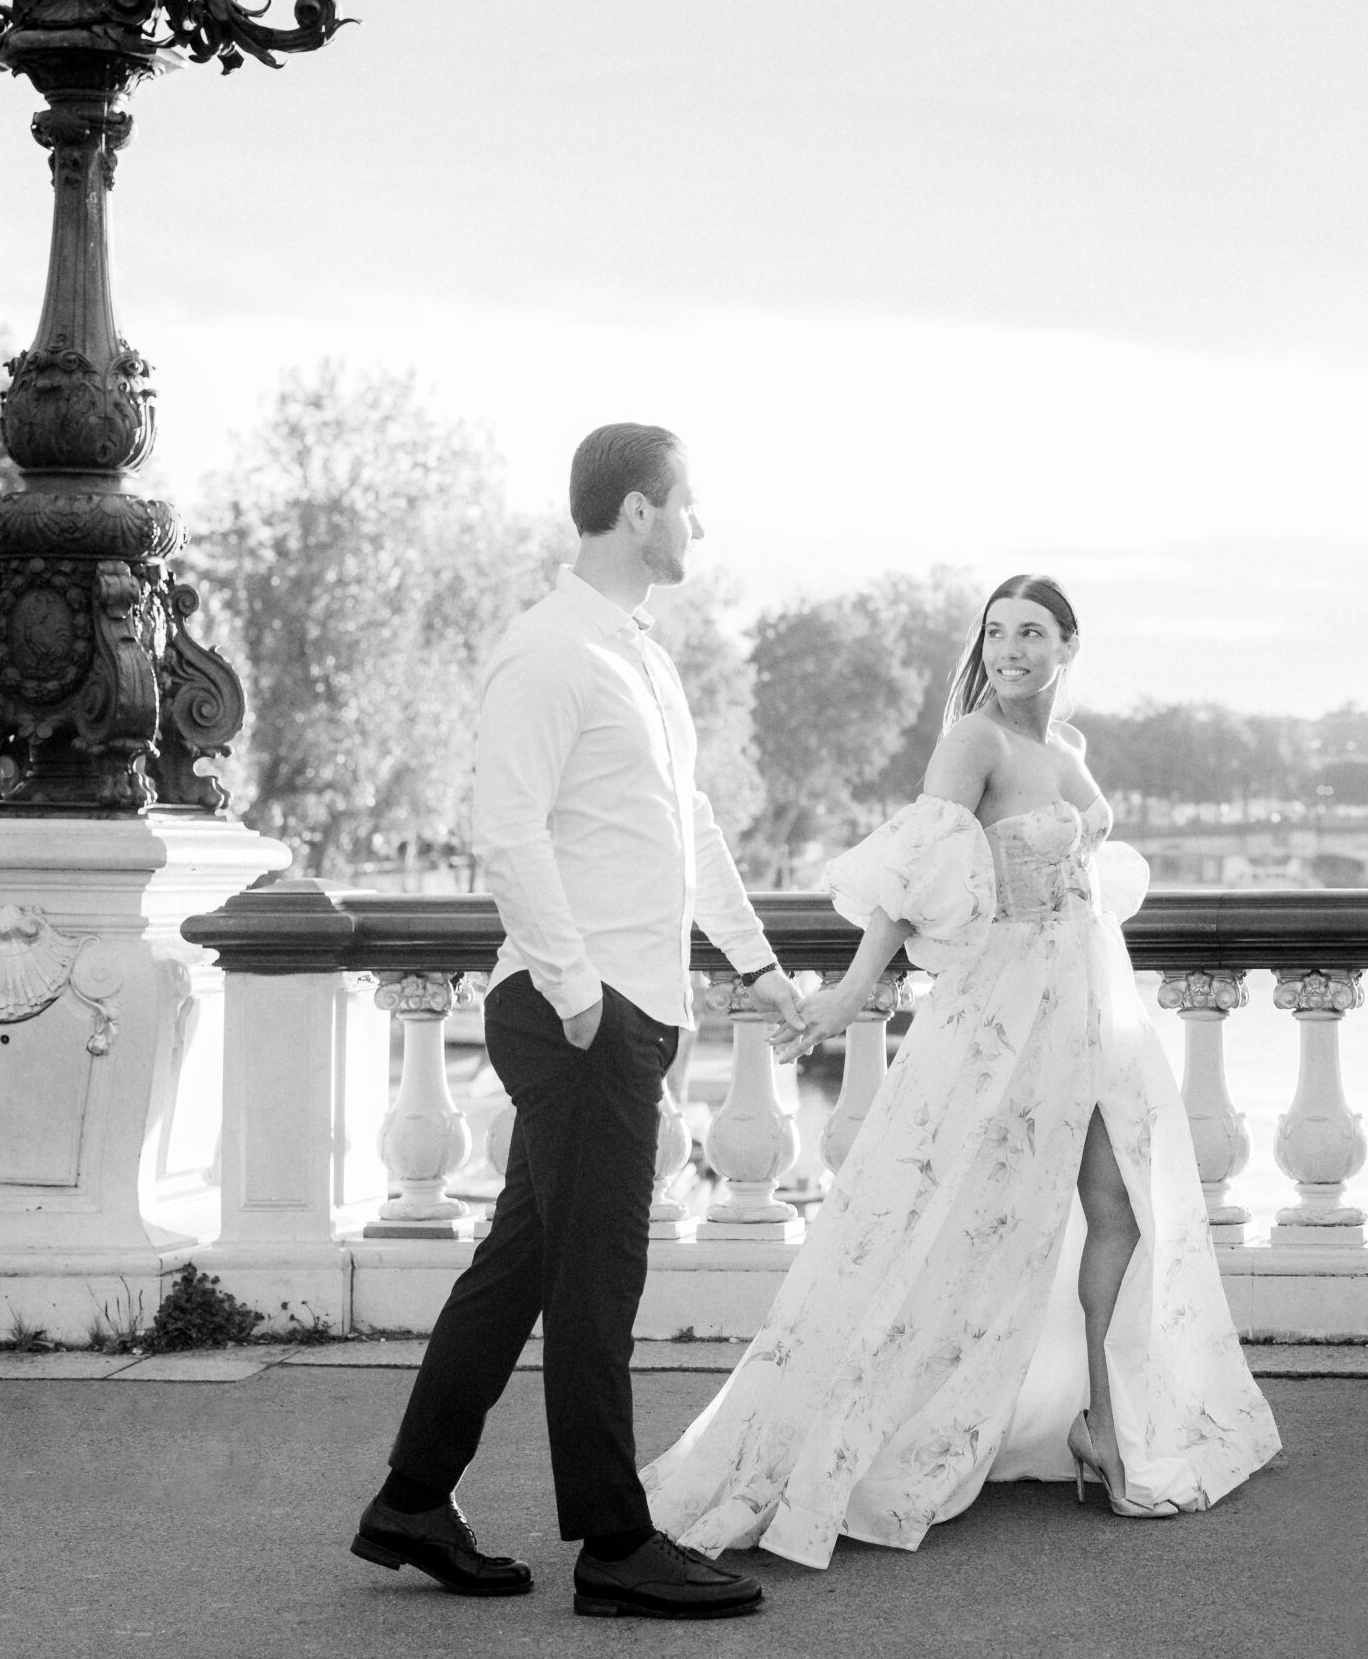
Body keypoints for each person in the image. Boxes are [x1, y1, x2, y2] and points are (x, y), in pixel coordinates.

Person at [642, 574, 1280, 1568]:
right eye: (995, 633)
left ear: (1068, 644)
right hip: (1006, 1012)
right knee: (947, 1225)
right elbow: (914, 873)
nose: (1010, 650)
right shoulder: (972, 742)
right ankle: (870, 1433)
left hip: (1092, 1005)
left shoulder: (1064, 750)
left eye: (1031, 633)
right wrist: (854, 991)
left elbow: (1088, 885)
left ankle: (1107, 1424)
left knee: (1122, 1211)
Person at [352, 423, 801, 1621]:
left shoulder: (640, 659)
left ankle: (410, 1500)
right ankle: (614, 1545)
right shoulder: (547, 653)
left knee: (519, 1272)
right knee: (598, 1283)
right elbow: (506, 828)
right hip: (575, 1019)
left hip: (623, 1010)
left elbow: (688, 830)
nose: (701, 525)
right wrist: (577, 991)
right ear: (642, 511)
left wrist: (757, 968)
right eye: (690, 505)